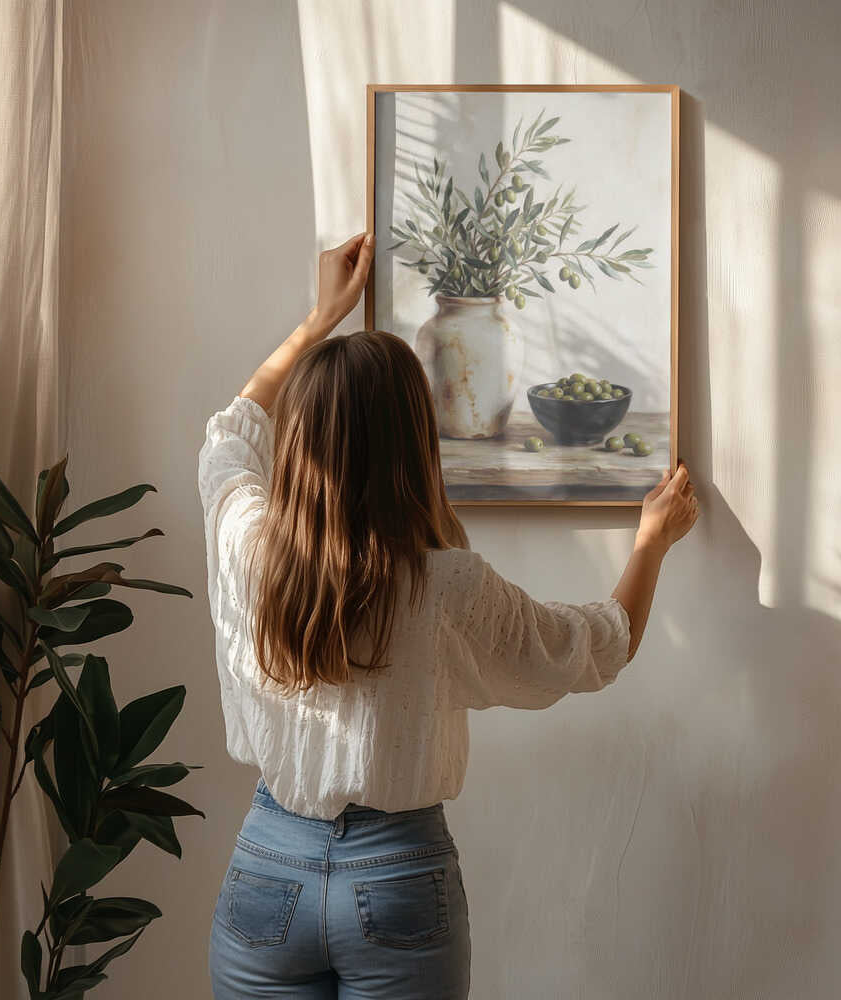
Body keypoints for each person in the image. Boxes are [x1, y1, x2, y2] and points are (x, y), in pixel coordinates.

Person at [198, 232, 698, 999]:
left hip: (269, 868)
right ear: (414, 444)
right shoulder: (448, 586)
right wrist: (651, 544)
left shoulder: (250, 544)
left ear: (299, 443)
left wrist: (317, 321)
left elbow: (230, 434)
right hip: (396, 877)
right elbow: (597, 647)